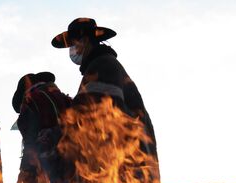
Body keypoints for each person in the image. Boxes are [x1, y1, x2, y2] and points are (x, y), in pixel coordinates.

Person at [51, 18, 159, 171]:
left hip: (127, 169)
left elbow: (87, 114)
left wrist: (55, 135)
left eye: (74, 44)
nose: (73, 50)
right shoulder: (101, 66)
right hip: (128, 168)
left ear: (85, 40)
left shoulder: (102, 66)